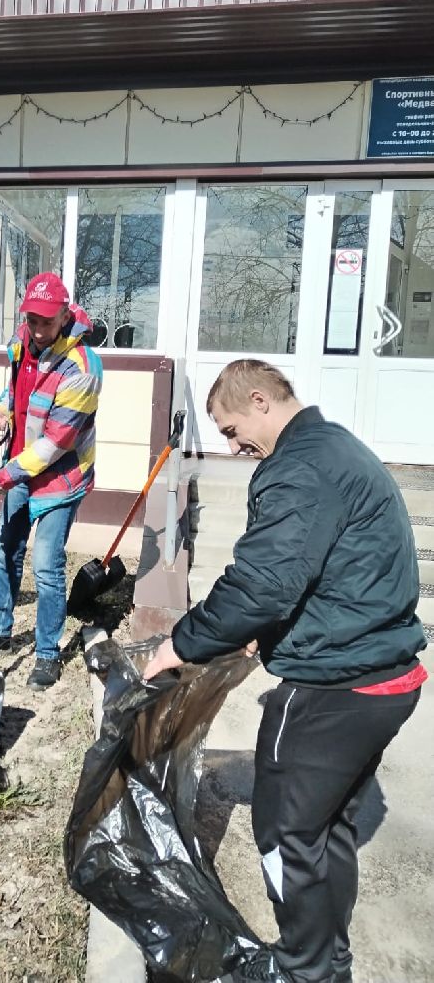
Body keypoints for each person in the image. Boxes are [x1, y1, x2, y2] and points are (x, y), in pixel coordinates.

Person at [142, 359, 427, 983]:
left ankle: (302, 971)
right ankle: (328, 962)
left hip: (337, 686)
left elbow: (264, 582)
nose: (231, 444)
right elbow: (327, 571)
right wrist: (263, 636)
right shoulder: (336, 450)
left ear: (259, 401)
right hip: (380, 674)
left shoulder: (299, 469)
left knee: (283, 833)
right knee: (327, 829)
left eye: (231, 427)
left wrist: (182, 645)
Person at [0, 272, 103, 691]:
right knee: (6, 551)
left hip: (59, 478)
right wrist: (2, 410)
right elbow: (16, 392)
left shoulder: (82, 368)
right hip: (20, 468)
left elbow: (56, 443)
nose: (38, 329)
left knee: (45, 567)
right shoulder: (23, 344)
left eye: (46, 321)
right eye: (32, 319)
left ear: (64, 315)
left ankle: (46, 653)